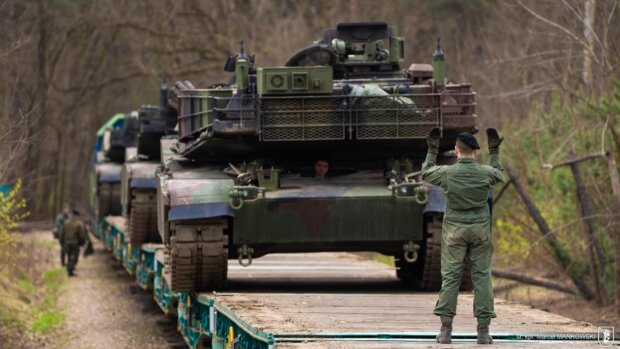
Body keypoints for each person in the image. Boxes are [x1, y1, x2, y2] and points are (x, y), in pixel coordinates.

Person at [421, 128, 505, 344]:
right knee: (482, 277)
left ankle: (446, 331)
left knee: (451, 278)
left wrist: (432, 149)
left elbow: (426, 173)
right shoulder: (486, 173)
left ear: (456, 150)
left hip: (455, 231)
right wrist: (494, 151)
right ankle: (483, 333)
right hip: (479, 230)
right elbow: (499, 173)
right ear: (475, 152)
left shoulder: (447, 173)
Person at [60, 209, 88, 277]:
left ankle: (70, 270)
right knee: (74, 257)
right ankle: (70, 270)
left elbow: (62, 233)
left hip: (67, 243)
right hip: (75, 244)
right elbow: (81, 235)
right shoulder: (79, 224)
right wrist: (82, 243)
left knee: (69, 256)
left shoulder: (65, 223)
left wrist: (62, 242)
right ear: (76, 216)